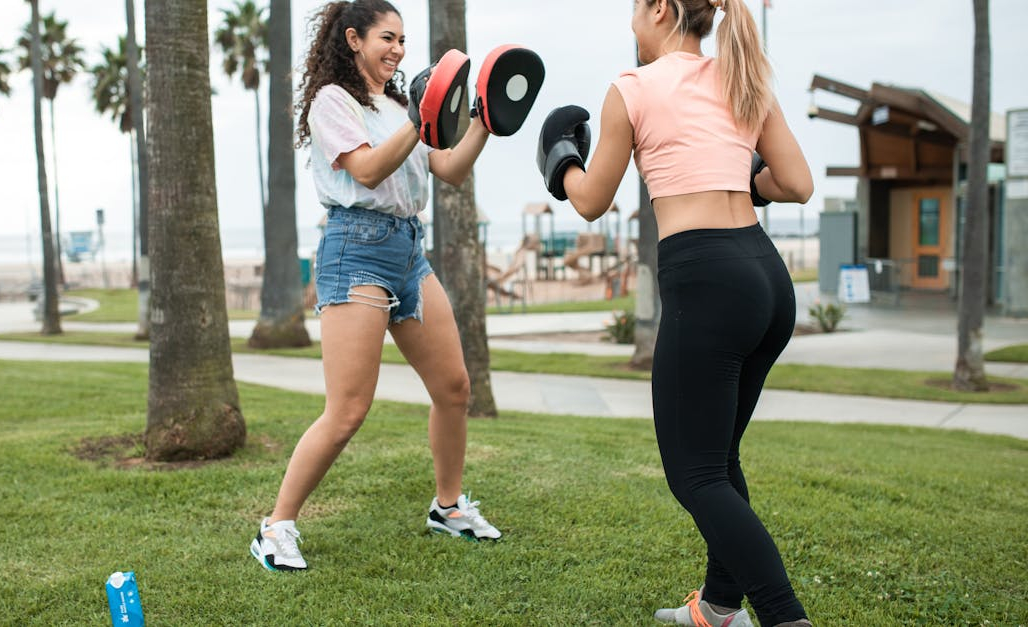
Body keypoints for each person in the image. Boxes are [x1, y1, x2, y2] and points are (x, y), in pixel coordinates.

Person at [536, 0, 814, 625]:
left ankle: (785, 617)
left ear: (660, 9)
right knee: (719, 458)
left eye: (635, 7)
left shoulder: (632, 87)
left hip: (708, 280)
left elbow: (590, 201)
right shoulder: (741, 78)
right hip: (767, 280)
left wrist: (561, 161)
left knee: (695, 475)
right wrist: (746, 178)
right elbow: (796, 183)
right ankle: (718, 607)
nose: (631, 19)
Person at [249, 0, 502, 573]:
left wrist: (484, 119)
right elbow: (365, 171)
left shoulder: (400, 105)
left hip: (409, 250)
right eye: (387, 38)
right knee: (348, 409)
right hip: (354, 250)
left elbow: (450, 170)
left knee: (455, 387)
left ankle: (448, 507)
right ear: (355, 40)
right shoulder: (332, 102)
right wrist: (422, 118)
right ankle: (276, 527)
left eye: (404, 41)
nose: (398, 50)